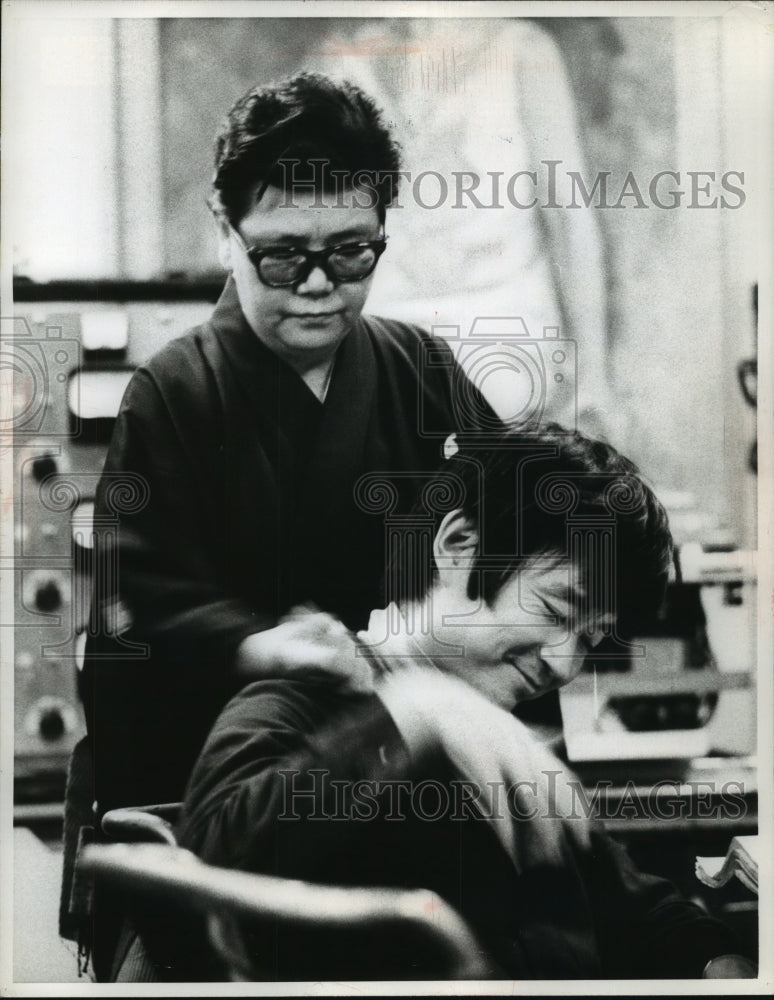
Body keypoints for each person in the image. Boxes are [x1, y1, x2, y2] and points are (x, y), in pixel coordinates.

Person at [69, 72, 501, 977]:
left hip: (408, 793)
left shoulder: (421, 371)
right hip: (226, 823)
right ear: (224, 234)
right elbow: (128, 612)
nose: (316, 285)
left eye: (351, 253)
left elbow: (512, 523)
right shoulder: (174, 396)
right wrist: (255, 645)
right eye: (280, 255)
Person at [168, 425, 754, 981]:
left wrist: (716, 959)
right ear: (459, 545)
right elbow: (207, 880)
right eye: (555, 612)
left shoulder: (498, 737)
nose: (564, 662)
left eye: (592, 638)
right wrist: (419, 718)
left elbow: (623, 899)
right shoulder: (306, 698)